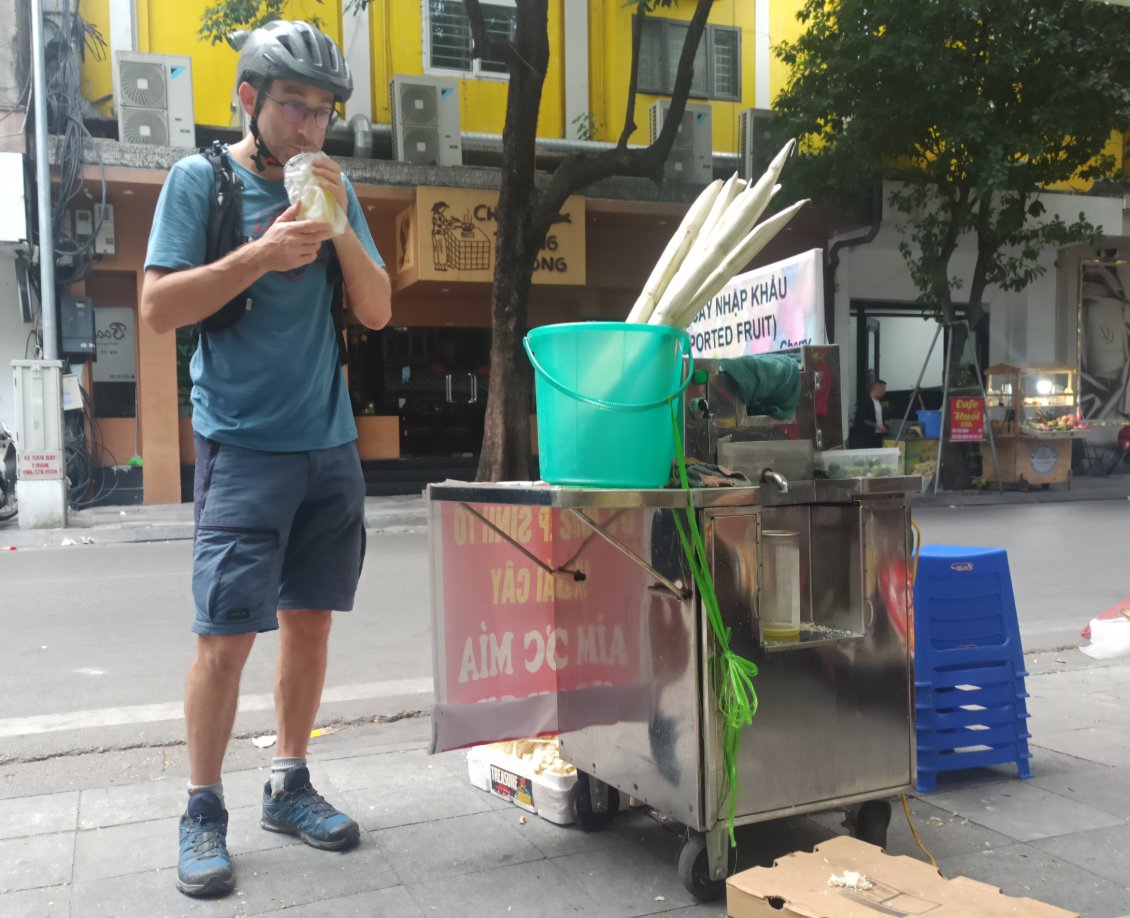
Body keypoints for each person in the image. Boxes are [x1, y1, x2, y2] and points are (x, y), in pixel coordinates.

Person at [139, 20, 391, 898]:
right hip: (242, 446)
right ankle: (201, 807)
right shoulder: (197, 182)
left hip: (329, 447)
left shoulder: (335, 185)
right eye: (294, 107)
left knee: (312, 622)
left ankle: (288, 783)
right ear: (248, 99)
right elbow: (161, 307)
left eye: (323, 113)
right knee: (226, 636)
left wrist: (338, 225)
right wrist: (261, 252)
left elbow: (380, 309)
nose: (310, 127)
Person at [856, 378, 889, 448]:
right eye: (883, 389)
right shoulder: (865, 401)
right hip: (868, 437)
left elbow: (880, 418)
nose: (884, 392)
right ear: (877, 388)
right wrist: (876, 425)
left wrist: (884, 426)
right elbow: (861, 419)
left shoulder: (879, 402)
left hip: (879, 436)